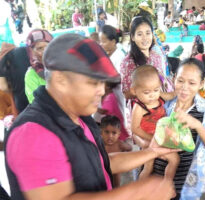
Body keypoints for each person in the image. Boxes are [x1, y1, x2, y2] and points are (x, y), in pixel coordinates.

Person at [4, 33, 178, 200]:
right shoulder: (34, 134)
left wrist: (153, 152)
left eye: (102, 82)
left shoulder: (79, 116)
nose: (102, 90)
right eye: (92, 82)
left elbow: (101, 163)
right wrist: (137, 192)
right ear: (60, 80)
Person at [153, 58, 205, 199]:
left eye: (192, 83)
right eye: (180, 81)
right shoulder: (163, 106)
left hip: (186, 180)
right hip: (157, 174)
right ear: (174, 79)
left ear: (201, 84)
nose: (184, 87)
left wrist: (197, 125)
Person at [130, 65, 179, 180]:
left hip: (160, 136)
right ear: (134, 90)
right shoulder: (139, 107)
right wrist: (151, 138)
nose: (152, 95)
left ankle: (167, 184)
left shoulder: (159, 97)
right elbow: (135, 128)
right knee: (149, 167)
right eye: (146, 92)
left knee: (174, 159)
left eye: (156, 90)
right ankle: (140, 189)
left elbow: (172, 95)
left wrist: (179, 88)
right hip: (149, 138)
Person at [120, 16, 173, 100]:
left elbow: (163, 81)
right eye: (140, 34)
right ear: (133, 37)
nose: (145, 38)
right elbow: (126, 94)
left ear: (152, 34)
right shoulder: (128, 62)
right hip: (141, 109)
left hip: (162, 104)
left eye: (148, 33)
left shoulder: (157, 56)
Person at [99, 115, 132, 187]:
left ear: (119, 134)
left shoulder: (119, 144)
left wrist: (124, 155)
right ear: (101, 132)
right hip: (102, 170)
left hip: (115, 170)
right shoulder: (99, 143)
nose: (110, 136)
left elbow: (129, 148)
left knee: (116, 185)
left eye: (114, 133)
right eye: (107, 132)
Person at [24, 29, 53, 103]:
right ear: (32, 52)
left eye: (48, 46)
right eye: (40, 48)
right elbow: (36, 103)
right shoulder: (31, 75)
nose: (45, 51)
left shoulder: (64, 65)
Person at [0, 44, 30, 114]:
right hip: (36, 91)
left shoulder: (2, 61)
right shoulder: (25, 50)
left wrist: (12, 91)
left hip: (20, 98)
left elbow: (3, 87)